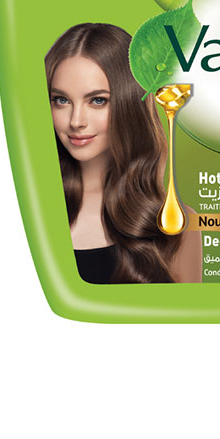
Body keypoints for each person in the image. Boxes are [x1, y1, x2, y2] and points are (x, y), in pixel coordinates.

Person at [45, 23, 201, 283]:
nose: (76, 121)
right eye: (61, 100)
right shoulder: (30, 208)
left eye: (97, 101)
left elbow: (190, 310)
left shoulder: (176, 224)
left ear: (129, 105)